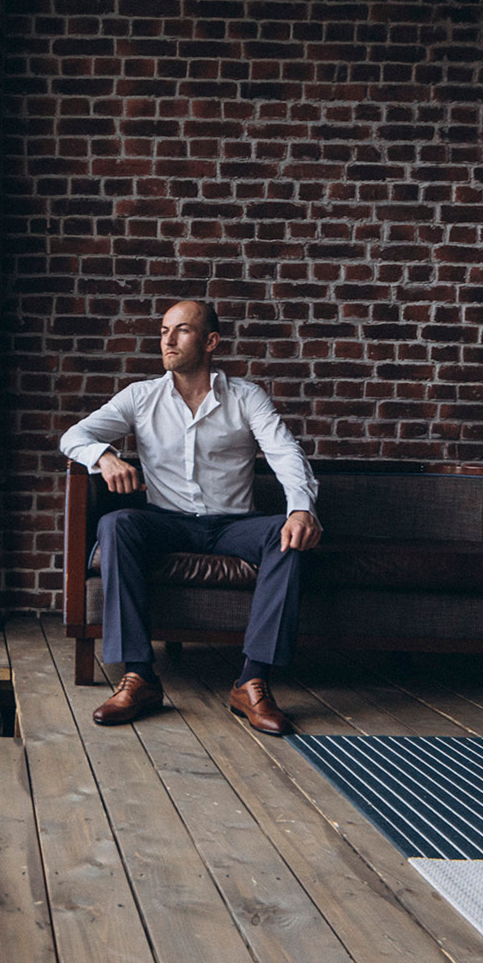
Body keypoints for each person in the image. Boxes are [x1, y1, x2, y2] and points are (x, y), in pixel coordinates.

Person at [58, 299, 321, 735]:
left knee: (287, 534)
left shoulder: (245, 397)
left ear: (211, 341)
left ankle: (252, 680)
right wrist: (104, 457)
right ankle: (140, 676)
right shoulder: (141, 397)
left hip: (233, 525)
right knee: (117, 523)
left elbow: (285, 452)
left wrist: (300, 508)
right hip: (167, 521)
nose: (168, 339)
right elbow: (74, 436)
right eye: (164, 331)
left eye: (181, 330)